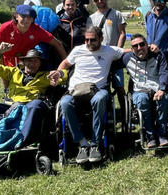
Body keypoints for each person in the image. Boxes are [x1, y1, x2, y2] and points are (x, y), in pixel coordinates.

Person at [51, 26, 124, 163]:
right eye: (86, 40)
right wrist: (59, 72)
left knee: (100, 98)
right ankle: (83, 144)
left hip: (98, 89)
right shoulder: (78, 50)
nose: (89, 43)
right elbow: (66, 63)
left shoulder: (109, 50)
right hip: (76, 90)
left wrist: (148, 47)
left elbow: (128, 50)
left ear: (101, 39)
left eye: (93, 40)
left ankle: (96, 143)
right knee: (65, 103)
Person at [0, 44, 66, 150]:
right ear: (24, 62)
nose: (32, 64)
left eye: (36, 61)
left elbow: (65, 76)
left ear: (40, 64)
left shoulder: (45, 76)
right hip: (11, 107)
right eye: (29, 60)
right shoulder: (13, 72)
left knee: (36, 104)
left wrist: (59, 73)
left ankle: (22, 141)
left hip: (30, 107)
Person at [0, 4, 66, 96]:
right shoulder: (6, 27)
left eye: (30, 17)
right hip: (8, 58)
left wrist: (65, 63)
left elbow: (57, 44)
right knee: (7, 79)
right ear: (16, 16)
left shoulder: (37, 30)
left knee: (23, 83)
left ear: (33, 19)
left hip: (25, 60)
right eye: (23, 16)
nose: (26, 20)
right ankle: (7, 92)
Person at [119, 34, 168, 148]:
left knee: (164, 99)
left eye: (142, 44)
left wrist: (162, 89)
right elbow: (109, 59)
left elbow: (164, 72)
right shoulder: (127, 58)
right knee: (142, 99)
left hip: (157, 88)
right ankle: (150, 136)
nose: (139, 48)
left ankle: (162, 134)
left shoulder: (158, 55)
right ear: (132, 49)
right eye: (135, 46)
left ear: (147, 45)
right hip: (139, 90)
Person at [86, 0, 127, 127]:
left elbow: (122, 34)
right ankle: (105, 114)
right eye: (97, 0)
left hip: (114, 57)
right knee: (99, 88)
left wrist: (117, 51)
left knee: (119, 87)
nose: (100, 1)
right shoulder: (91, 18)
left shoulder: (116, 14)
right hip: (98, 60)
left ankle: (125, 116)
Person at [145, 0, 168, 73]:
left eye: (161, 0)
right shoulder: (148, 15)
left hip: (164, 55)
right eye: (156, 0)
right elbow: (148, 34)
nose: (158, 3)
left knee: (165, 81)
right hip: (149, 54)